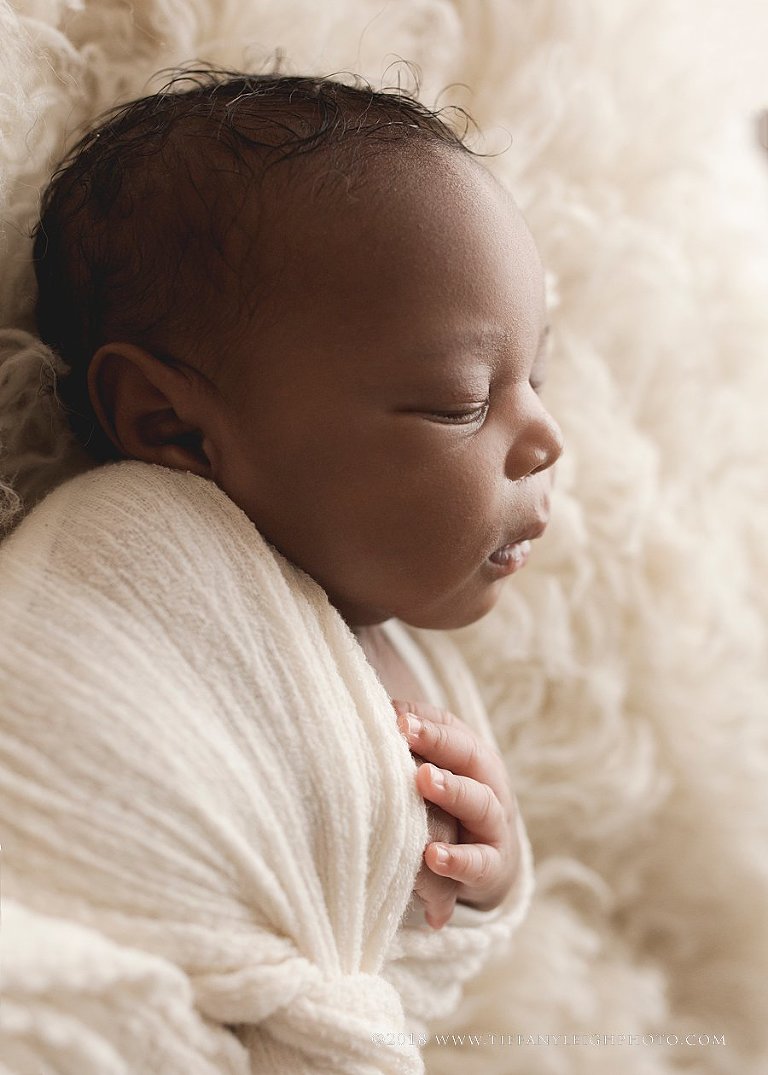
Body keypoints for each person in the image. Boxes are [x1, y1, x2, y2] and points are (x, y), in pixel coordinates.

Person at [30, 68, 563, 933]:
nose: (545, 437)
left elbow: (427, 947)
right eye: (460, 400)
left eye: (535, 377)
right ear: (174, 429)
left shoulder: (413, 650)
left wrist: (489, 871)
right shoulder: (124, 563)